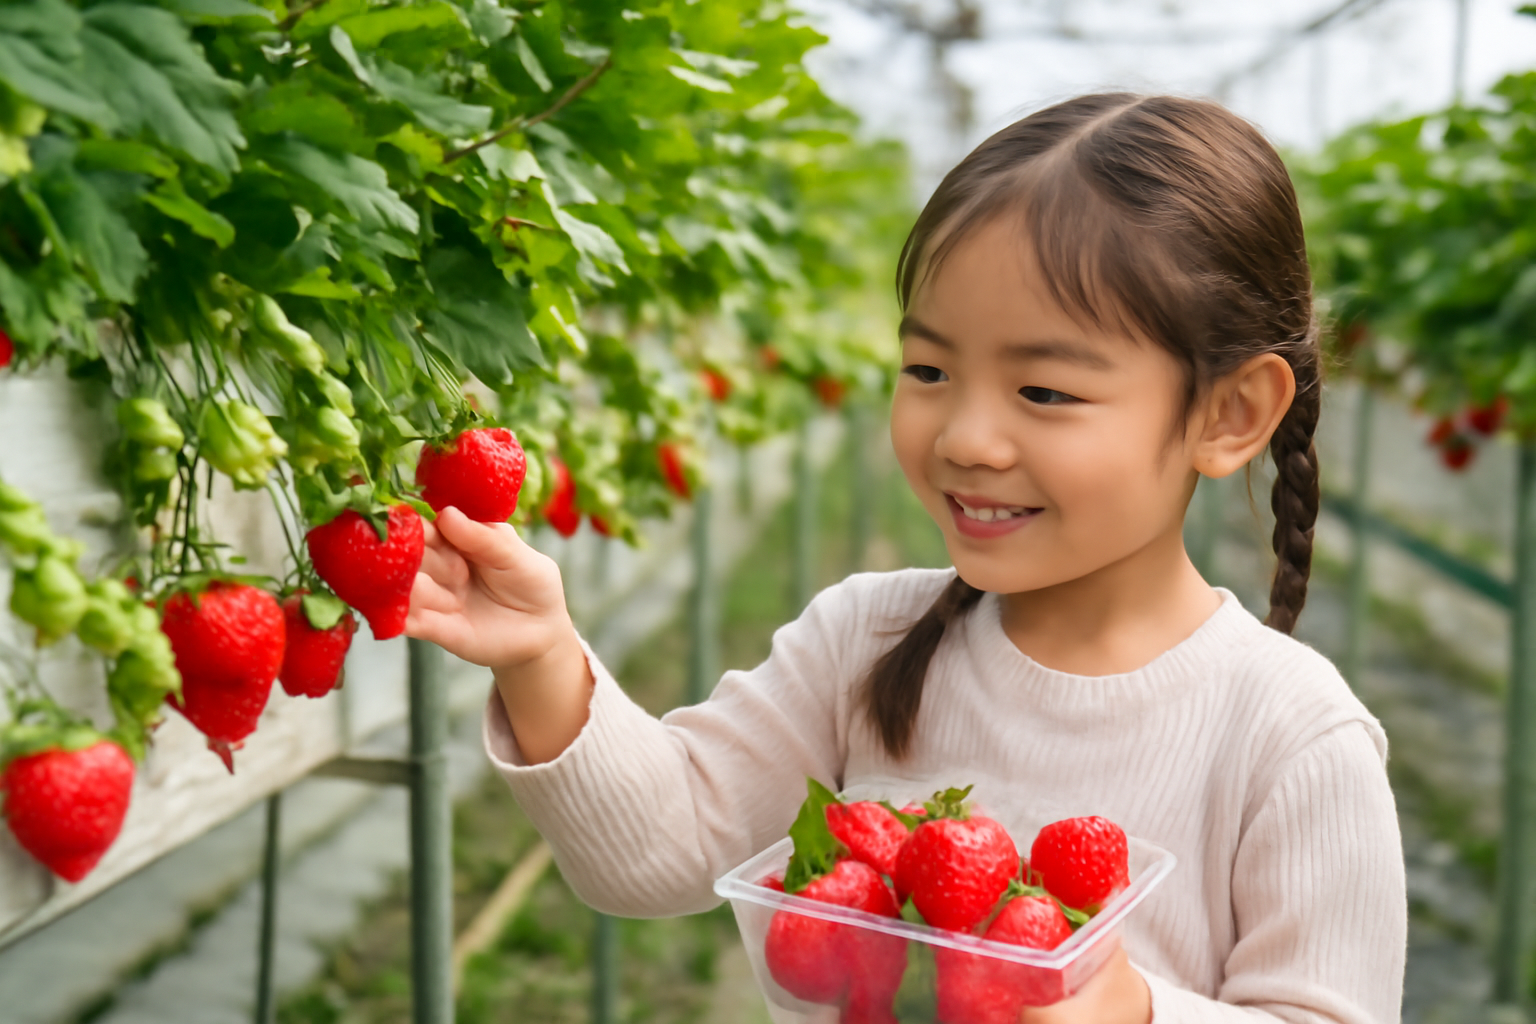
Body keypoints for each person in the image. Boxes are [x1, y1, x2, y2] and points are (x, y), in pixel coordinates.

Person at [407, 93, 1406, 1024]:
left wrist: (1137, 1009)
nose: (965, 435)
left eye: (1045, 391)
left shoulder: (1291, 736)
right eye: (927, 369)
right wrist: (540, 655)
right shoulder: (865, 639)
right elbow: (660, 852)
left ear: (1229, 414)